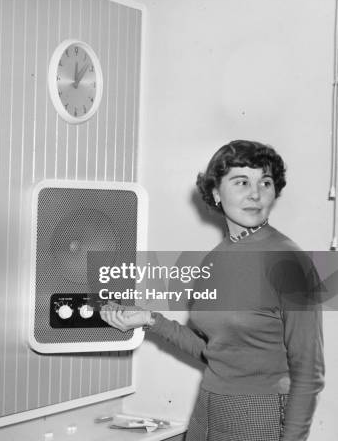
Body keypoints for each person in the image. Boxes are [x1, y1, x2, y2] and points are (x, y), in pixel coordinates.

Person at [100, 140, 324, 441]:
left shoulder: (290, 262)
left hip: (259, 415)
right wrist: (150, 320)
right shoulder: (215, 258)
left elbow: (308, 374)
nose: (255, 194)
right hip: (206, 409)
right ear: (217, 192)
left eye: (265, 182)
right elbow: (213, 351)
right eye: (241, 182)